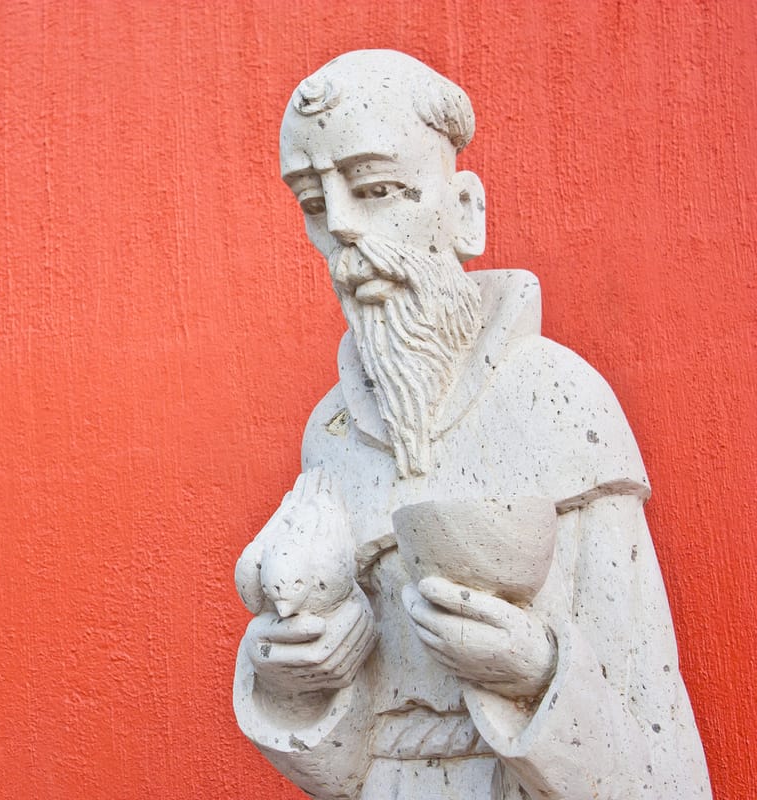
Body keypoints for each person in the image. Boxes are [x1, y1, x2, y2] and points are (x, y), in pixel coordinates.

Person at [232, 50, 712, 800]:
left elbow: (653, 727)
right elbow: (341, 761)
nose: (344, 231)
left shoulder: (557, 400)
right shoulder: (332, 431)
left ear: (464, 212)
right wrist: (297, 677)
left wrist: (536, 670)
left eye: (377, 188)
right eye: (314, 204)